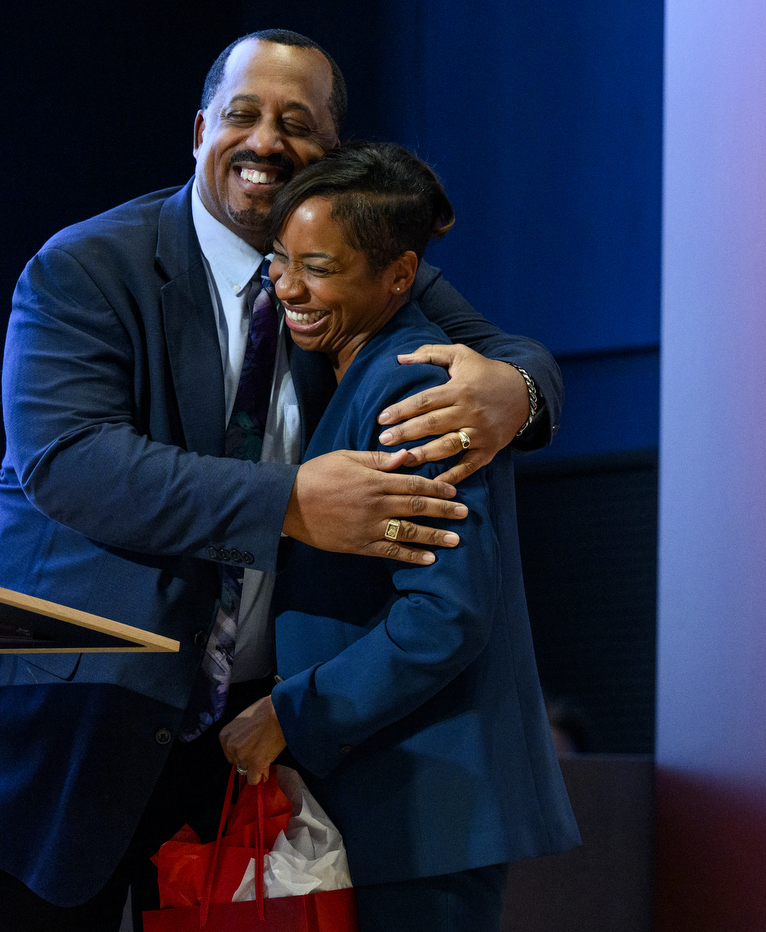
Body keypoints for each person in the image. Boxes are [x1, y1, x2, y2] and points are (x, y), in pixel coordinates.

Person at [0, 29, 564, 931]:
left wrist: (517, 391)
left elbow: (505, 354)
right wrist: (292, 504)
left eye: (297, 123)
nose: (264, 141)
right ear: (201, 126)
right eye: (242, 114)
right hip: (77, 728)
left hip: (249, 738)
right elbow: (72, 463)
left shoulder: (349, 268)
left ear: (331, 157)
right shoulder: (86, 268)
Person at [220, 142, 579, 931]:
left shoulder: (412, 386)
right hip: (398, 800)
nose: (287, 287)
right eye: (279, 260)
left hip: (430, 809)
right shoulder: (353, 364)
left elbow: (443, 615)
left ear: (400, 276)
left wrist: (290, 712)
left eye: (318, 267)